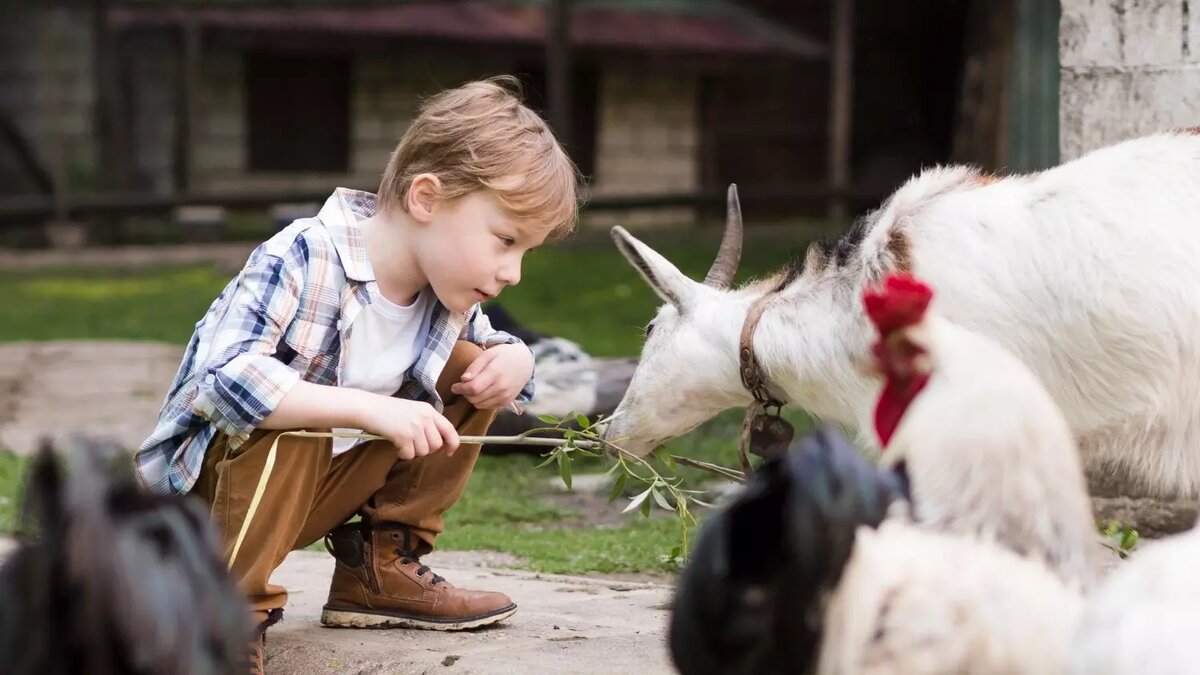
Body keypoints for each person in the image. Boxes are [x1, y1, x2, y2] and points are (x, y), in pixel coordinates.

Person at [133, 75, 580, 672]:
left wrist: (515, 358)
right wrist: (366, 407)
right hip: (203, 512)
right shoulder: (302, 256)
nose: (513, 271)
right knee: (290, 417)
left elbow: (491, 347)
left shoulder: (445, 291)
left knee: (480, 369)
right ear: (426, 199)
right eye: (505, 240)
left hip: (306, 496)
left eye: (525, 251)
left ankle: (379, 568)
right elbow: (225, 379)